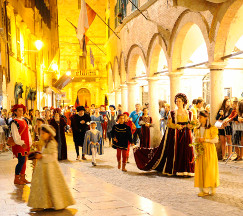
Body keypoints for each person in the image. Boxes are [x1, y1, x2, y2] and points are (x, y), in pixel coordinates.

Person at [133, 93, 195, 177]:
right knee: (177, 151)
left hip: (186, 135)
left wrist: (191, 125)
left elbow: (194, 123)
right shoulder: (172, 113)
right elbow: (169, 124)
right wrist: (177, 126)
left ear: (184, 102)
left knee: (186, 151)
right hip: (176, 135)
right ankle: (176, 170)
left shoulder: (189, 113)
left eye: (180, 101)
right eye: (176, 101)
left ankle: (186, 171)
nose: (178, 103)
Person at [28, 124, 75, 211]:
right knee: (44, 186)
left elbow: (53, 156)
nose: (41, 135)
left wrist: (42, 156)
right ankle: (44, 202)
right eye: (40, 133)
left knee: (53, 186)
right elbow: (45, 153)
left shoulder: (52, 143)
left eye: (43, 133)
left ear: (49, 134)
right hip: (44, 168)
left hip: (51, 169)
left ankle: (58, 202)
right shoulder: (45, 143)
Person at [194, 111, 219, 197]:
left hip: (209, 150)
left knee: (209, 169)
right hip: (200, 151)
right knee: (201, 169)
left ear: (206, 118)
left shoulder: (212, 128)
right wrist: (196, 142)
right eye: (198, 117)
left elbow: (216, 140)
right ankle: (203, 189)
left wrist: (205, 140)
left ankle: (210, 188)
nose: (199, 118)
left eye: (200, 117)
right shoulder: (197, 128)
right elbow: (195, 139)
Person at [10, 104, 32, 185]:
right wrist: (21, 143)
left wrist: (29, 142)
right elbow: (15, 135)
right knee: (21, 161)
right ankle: (16, 178)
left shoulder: (25, 120)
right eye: (19, 110)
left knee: (25, 161)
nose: (21, 112)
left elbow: (27, 132)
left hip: (26, 144)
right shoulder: (14, 122)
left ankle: (23, 177)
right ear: (15, 112)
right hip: (19, 144)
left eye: (22, 110)